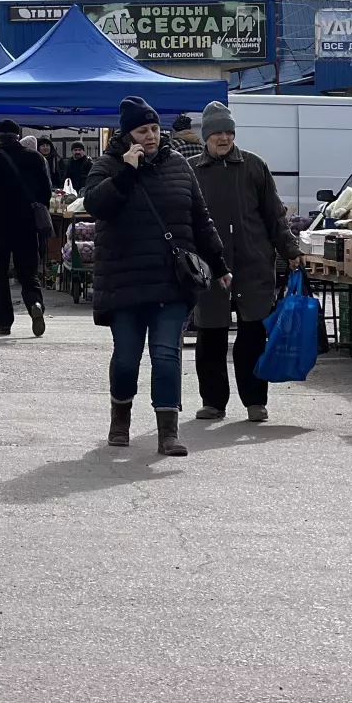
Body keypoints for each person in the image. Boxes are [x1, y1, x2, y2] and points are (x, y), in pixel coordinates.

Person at [84, 96, 230, 456]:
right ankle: (120, 421)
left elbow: (200, 218)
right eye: (141, 130)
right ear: (127, 134)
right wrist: (126, 173)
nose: (150, 136)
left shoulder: (179, 165)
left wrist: (219, 264)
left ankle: (168, 431)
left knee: (167, 355)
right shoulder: (108, 165)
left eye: (153, 129)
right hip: (125, 283)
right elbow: (94, 205)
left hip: (170, 281)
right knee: (126, 357)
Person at [190, 100, 300, 423]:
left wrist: (290, 250)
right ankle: (213, 401)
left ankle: (255, 400)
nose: (223, 138)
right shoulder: (194, 172)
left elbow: (275, 216)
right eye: (217, 133)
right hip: (210, 269)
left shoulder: (255, 167)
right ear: (206, 137)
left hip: (254, 266)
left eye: (228, 132)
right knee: (211, 335)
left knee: (252, 335)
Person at [0, 119, 51, 337]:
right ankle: (35, 303)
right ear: (18, 136)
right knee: (28, 272)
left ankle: (4, 323)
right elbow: (46, 192)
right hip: (26, 226)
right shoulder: (35, 158)